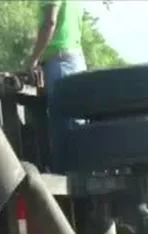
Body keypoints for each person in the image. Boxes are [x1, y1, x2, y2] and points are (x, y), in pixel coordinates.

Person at [26, 0, 86, 172]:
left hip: (59, 62)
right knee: (75, 124)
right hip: (75, 60)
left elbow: (49, 23)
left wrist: (33, 60)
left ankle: (64, 180)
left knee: (61, 129)